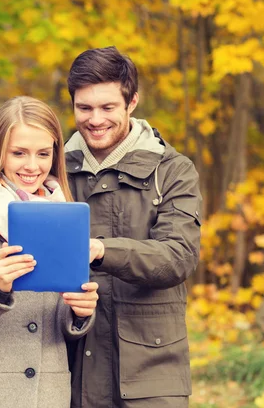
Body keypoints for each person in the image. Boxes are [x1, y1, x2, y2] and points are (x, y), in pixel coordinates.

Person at [0, 96, 100, 408]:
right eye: (19, 153)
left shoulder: (65, 214)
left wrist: (80, 311)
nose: (32, 165)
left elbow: (57, 321)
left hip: (45, 394)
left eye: (43, 153)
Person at [64, 46, 202, 408]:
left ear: (132, 102)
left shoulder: (172, 170)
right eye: (84, 108)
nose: (95, 119)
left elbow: (179, 256)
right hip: (71, 364)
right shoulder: (53, 168)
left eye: (108, 107)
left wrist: (103, 249)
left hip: (153, 370)